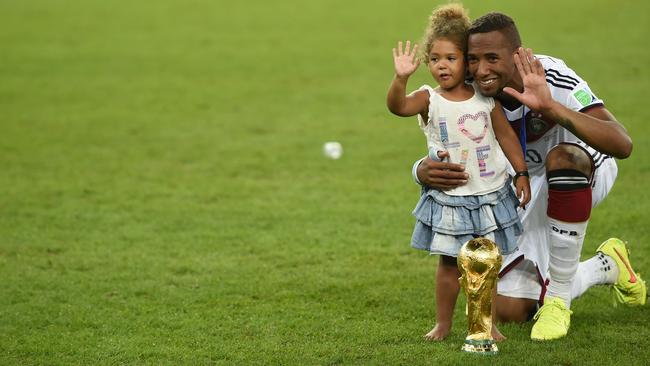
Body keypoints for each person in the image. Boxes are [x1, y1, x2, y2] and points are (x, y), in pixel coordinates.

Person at [413, 12, 646, 340]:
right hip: (521, 186)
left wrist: (552, 108)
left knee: (562, 158)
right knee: (509, 310)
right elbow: (441, 140)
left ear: (518, 55)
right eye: (474, 59)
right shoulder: (467, 89)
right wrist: (420, 169)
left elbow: (622, 143)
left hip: (581, 170)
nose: (482, 70)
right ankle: (605, 266)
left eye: (493, 58)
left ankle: (559, 299)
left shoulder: (552, 76)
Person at [386, 4, 531, 342]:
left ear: (466, 60)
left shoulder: (485, 97)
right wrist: (401, 77)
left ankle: (487, 325)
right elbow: (397, 107)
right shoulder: (427, 98)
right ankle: (443, 324)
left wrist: (521, 173)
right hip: (451, 198)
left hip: (489, 194)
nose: (442, 66)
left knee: (486, 265)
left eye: (451, 58)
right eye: (435, 58)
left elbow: (507, 136)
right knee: (449, 266)